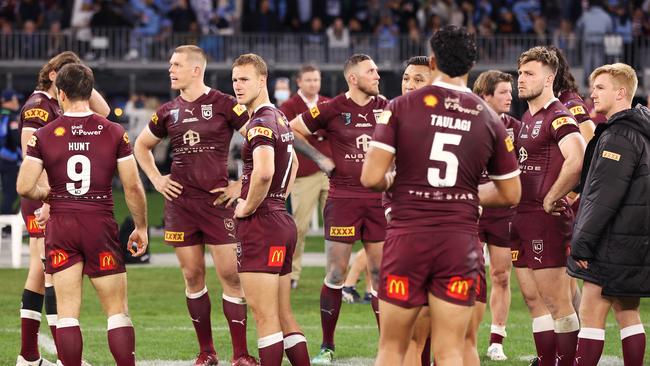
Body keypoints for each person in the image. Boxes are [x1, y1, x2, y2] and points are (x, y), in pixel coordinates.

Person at [360, 26, 521, 366]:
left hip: (408, 239)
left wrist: (401, 182)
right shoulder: (489, 118)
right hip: (459, 243)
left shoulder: (400, 107)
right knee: (453, 349)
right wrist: (464, 196)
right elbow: (511, 192)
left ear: (432, 62)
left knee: (394, 347)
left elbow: (371, 177)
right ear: (472, 65)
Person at [16, 63, 148, 366]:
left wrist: (48, 195)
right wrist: (139, 226)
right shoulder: (114, 131)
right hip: (99, 222)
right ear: (90, 92)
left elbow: (25, 185)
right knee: (117, 310)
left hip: (62, 225)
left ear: (60, 94)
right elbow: (132, 187)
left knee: (67, 313)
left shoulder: (44, 134)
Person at [133, 45, 257, 366]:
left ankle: (240, 354)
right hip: (181, 204)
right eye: (170, 64)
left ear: (196, 70)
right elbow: (141, 146)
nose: (171, 70)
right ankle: (207, 352)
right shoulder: (167, 111)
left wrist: (240, 184)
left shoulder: (225, 104)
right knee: (192, 275)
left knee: (231, 275)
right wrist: (157, 180)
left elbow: (259, 140)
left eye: (176, 65)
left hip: (218, 203)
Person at [289, 53, 388, 365]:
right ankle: (327, 346)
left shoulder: (386, 107)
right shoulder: (332, 108)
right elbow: (290, 128)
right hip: (343, 200)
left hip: (378, 200)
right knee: (335, 272)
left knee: (379, 274)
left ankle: (388, 347)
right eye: (371, 71)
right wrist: (319, 159)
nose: (377, 75)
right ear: (353, 78)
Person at [16, 51, 110, 366]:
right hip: (43, 195)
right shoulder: (39, 106)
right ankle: (63, 357)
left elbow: (105, 111)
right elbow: (30, 152)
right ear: (54, 73)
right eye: (69, 72)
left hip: (46, 195)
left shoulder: (55, 101)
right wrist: (46, 199)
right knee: (54, 274)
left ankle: (29, 356)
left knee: (39, 271)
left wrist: (81, 76)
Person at [231, 53, 310, 366]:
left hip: (262, 223)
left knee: (265, 317)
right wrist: (278, 197)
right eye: (235, 79)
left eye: (245, 79)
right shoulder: (279, 117)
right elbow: (294, 164)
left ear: (262, 81)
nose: (238, 86)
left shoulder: (260, 123)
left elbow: (263, 172)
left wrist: (246, 207)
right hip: (280, 219)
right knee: (284, 315)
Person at [569, 63, 648, 366]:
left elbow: (603, 198)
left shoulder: (618, 135)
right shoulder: (642, 129)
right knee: (628, 313)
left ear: (620, 92)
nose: (592, 94)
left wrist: (582, 243)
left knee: (590, 314)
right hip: (634, 240)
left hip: (611, 240)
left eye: (600, 88)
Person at [512, 46, 586, 366]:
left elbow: (578, 157)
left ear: (549, 77)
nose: (521, 79)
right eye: (520, 73)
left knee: (558, 304)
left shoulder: (558, 115)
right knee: (534, 300)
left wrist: (552, 197)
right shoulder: (528, 117)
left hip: (544, 220)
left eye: (529, 74)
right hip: (521, 218)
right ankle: (545, 360)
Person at [472, 69, 522, 361]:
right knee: (470, 276)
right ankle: (466, 336)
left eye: (510, 91)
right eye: (503, 91)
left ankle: (496, 340)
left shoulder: (516, 127)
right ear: (485, 95)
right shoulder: (466, 125)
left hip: (503, 213)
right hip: (471, 210)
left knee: (501, 275)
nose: (510, 96)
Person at [279, 64, 331, 289]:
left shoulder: (328, 102)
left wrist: (310, 134)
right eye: (308, 80)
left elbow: (329, 132)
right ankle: (292, 273)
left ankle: (334, 273)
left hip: (330, 172)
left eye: (316, 80)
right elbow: (291, 134)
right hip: (305, 172)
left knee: (336, 226)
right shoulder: (289, 106)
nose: (313, 84)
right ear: (299, 82)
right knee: (299, 227)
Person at [0, 90, 21, 215]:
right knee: (10, 192)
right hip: (8, 160)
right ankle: (7, 227)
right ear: (11, 101)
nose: (17, 102)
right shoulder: (12, 117)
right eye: (16, 100)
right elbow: (17, 140)